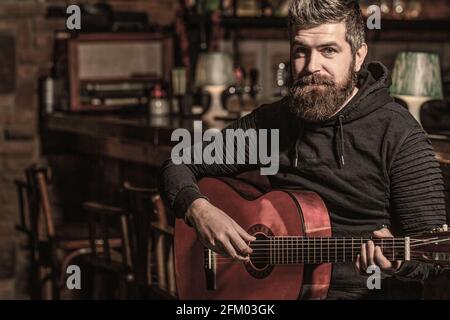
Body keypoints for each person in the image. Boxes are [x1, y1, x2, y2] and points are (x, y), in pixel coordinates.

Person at [158, 0, 447, 299]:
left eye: (328, 50)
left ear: (358, 56)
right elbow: (178, 163)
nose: (311, 66)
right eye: (301, 51)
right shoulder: (275, 124)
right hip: (275, 292)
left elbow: (433, 258)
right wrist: (199, 210)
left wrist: (399, 262)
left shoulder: (398, 133)